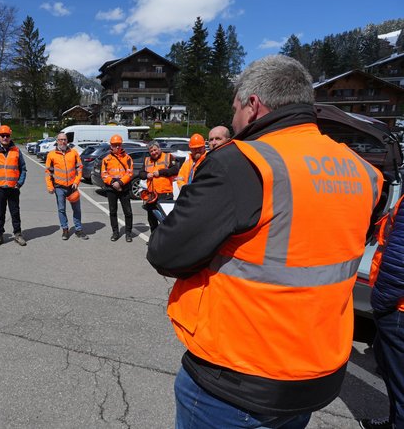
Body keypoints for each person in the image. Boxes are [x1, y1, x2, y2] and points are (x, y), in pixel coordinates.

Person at [147, 55, 383, 428]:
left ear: (253, 105)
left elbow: (166, 253)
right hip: (315, 372)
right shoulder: (363, 172)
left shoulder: (243, 163)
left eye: (235, 109)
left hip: (238, 376)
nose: (235, 120)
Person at [359, 197, 404, 429]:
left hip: (397, 309)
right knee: (387, 365)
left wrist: (380, 302)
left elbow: (399, 261)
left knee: (398, 377)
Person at [0, 125, 27, 247]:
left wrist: (19, 183)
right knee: (0, 213)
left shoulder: (16, 151)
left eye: (7, 135)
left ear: (10, 136)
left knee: (15, 212)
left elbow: (23, 169)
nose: (5, 137)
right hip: (0, 188)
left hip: (13, 188)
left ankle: (18, 234)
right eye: (2, 135)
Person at [45, 133, 89, 240]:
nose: (63, 142)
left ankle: (78, 229)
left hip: (72, 187)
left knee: (77, 209)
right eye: (60, 140)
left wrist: (76, 182)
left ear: (67, 141)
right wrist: (50, 186)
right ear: (57, 141)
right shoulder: (51, 154)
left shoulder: (73, 153)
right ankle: (65, 229)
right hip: (59, 187)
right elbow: (48, 172)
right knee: (61, 209)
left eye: (64, 139)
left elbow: (79, 169)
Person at [139, 140, 179, 232]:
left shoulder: (168, 157)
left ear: (159, 149)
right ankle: (154, 238)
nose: (153, 152)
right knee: (152, 219)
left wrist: (160, 172)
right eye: (151, 151)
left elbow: (175, 169)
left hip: (165, 194)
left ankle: (165, 240)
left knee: (166, 219)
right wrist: (146, 175)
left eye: (155, 150)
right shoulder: (147, 160)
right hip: (151, 195)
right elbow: (141, 174)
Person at [100, 134, 134, 242]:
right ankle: (115, 232)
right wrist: (113, 182)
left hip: (124, 188)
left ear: (121, 145)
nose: (117, 147)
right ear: (111, 146)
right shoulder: (106, 159)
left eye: (119, 145)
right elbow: (104, 174)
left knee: (128, 212)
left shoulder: (128, 158)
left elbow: (129, 173)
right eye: (115, 145)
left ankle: (128, 233)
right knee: (113, 211)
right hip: (111, 189)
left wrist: (120, 183)